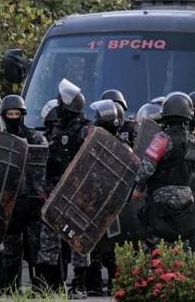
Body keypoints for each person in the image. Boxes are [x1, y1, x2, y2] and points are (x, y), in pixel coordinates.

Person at [38, 79, 92, 299]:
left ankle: (79, 285)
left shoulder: (86, 130)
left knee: (79, 242)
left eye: (61, 102)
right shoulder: (56, 128)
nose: (58, 105)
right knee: (48, 241)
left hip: (76, 194)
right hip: (54, 192)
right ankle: (50, 285)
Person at [132, 92, 195, 248]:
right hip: (186, 199)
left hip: (162, 199)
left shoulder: (162, 139)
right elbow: (193, 169)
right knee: (182, 242)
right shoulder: (193, 140)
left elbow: (147, 168)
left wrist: (138, 188)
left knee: (153, 241)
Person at [0, 95, 48, 294]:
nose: (13, 117)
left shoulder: (35, 137)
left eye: (17, 114)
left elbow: (44, 163)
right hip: (11, 203)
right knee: (11, 250)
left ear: (23, 115)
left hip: (33, 202)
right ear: (4, 116)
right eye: (10, 114)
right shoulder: (0, 139)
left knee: (35, 249)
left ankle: (39, 288)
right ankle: (9, 288)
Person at [84, 99, 129, 296]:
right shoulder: (92, 142)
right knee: (93, 243)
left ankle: (113, 280)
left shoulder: (123, 147)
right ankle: (93, 282)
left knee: (112, 244)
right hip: (94, 199)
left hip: (112, 202)